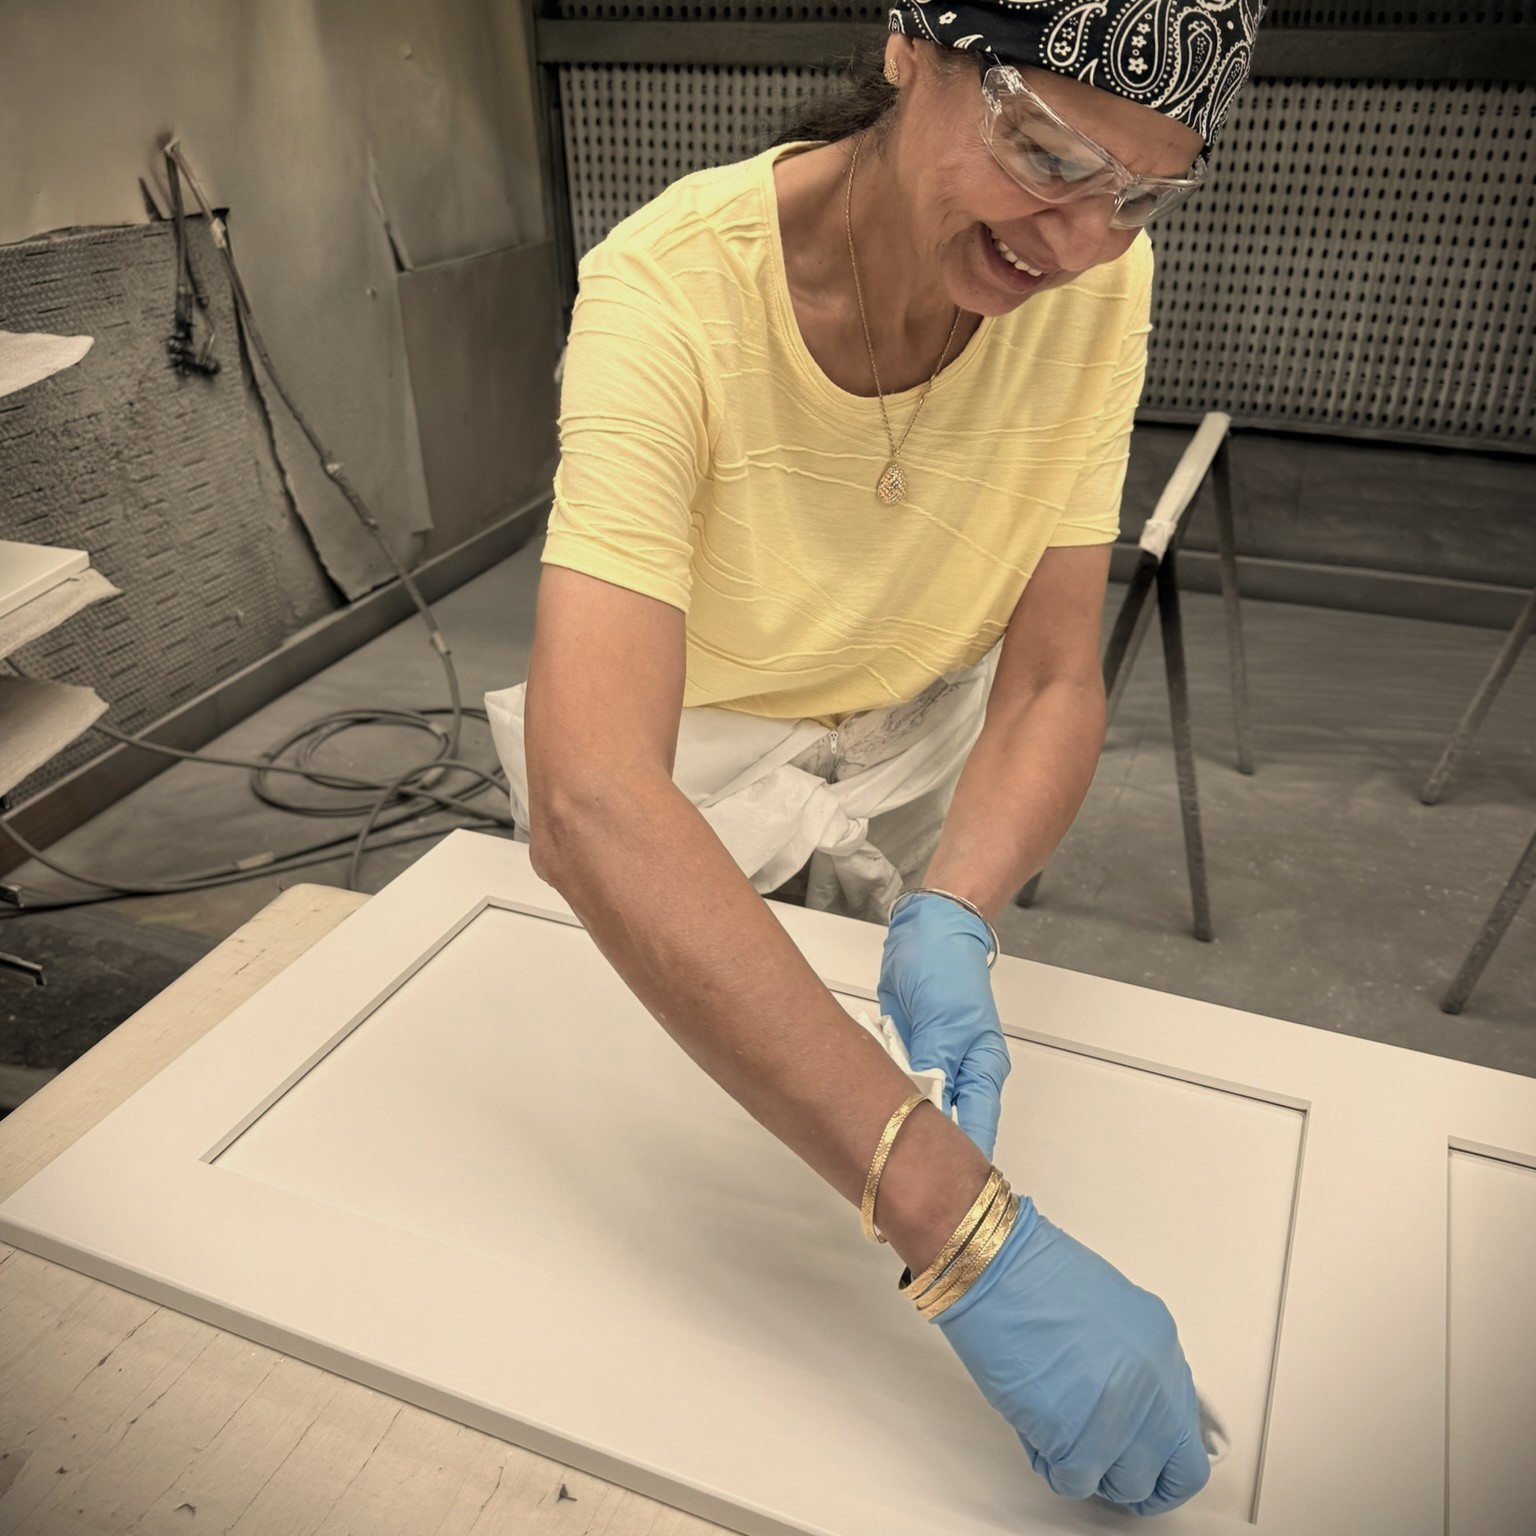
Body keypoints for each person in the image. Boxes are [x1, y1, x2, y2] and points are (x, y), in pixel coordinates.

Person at [487, 0, 1265, 1516]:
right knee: (651, 1217)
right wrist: (963, 1231)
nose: (1077, 240)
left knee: (851, 1097)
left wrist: (957, 901)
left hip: (920, 745)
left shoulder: (1100, 284)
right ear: (912, 46)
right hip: (692, 785)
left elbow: (1046, 676)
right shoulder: (670, 291)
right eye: (1044, 153)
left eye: (1141, 196)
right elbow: (594, 794)